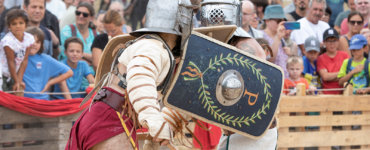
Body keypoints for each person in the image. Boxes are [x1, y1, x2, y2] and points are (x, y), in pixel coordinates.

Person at [66, 0, 195, 149]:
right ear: (179, 21)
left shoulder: (147, 44)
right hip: (111, 122)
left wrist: (162, 126)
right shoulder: (153, 47)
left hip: (102, 118)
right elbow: (140, 80)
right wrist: (156, 124)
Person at [23, 27, 73, 100]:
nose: (34, 44)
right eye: (32, 41)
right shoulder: (19, 57)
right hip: (23, 100)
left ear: (41, 44)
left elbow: (69, 72)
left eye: (38, 42)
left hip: (42, 100)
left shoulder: (46, 59)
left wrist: (50, 82)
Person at [0, 9, 34, 92]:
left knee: (17, 91)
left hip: (14, 73)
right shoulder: (7, 41)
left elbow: (24, 60)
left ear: (26, 25)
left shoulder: (29, 38)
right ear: (9, 26)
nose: (18, 26)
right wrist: (16, 81)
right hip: (2, 74)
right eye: (14, 24)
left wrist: (19, 80)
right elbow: (10, 61)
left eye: (21, 23)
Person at [262, 5, 291, 78]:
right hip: (272, 80)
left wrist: (289, 55)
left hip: (285, 80)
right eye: (278, 21)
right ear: (267, 21)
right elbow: (269, 59)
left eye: (283, 21)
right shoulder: (261, 36)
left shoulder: (281, 37)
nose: (281, 24)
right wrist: (278, 38)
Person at [317, 28, 349, 94]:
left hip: (343, 92)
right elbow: (325, 77)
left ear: (338, 41)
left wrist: (331, 76)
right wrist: (342, 73)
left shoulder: (344, 55)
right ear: (324, 42)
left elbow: (348, 74)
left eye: (334, 40)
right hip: (327, 93)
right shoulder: (320, 58)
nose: (332, 44)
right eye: (329, 41)